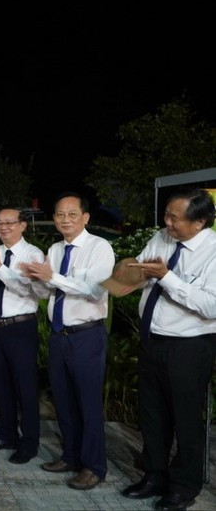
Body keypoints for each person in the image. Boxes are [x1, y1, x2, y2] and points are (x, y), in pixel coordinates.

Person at [120, 188, 216, 510]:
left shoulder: (214, 251)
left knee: (186, 419)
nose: (167, 223)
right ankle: (154, 476)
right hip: (152, 340)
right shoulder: (162, 237)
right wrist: (133, 272)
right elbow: (145, 275)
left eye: (175, 218)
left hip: (189, 347)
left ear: (200, 221)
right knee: (152, 414)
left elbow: (210, 306)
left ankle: (184, 487)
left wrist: (167, 277)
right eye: (166, 215)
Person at [21, 192, 114, 490]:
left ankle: (94, 466)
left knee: (88, 404)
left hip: (87, 335)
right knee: (63, 401)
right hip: (59, 336)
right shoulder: (55, 249)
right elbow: (51, 292)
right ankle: (71, 456)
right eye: (60, 214)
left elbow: (95, 291)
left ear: (85, 217)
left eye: (72, 214)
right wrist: (39, 279)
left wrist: (54, 277)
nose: (65, 219)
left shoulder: (100, 247)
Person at [0, 207, 47, 465]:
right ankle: (6, 435)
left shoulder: (32, 254)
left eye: (10, 223)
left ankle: (29, 444)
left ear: (23, 225)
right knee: (1, 384)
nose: (3, 227)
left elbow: (28, 289)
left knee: (25, 387)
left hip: (20, 328)